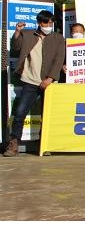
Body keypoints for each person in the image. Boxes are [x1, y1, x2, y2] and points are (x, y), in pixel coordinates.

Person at [3, 10, 66, 157]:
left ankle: (44, 144)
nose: (49, 25)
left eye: (51, 22)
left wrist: (50, 78)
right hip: (29, 80)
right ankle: (13, 144)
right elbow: (16, 48)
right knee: (19, 113)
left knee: (48, 114)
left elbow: (59, 59)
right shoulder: (28, 34)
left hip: (49, 82)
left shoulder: (58, 38)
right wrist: (17, 32)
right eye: (46, 22)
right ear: (39, 22)